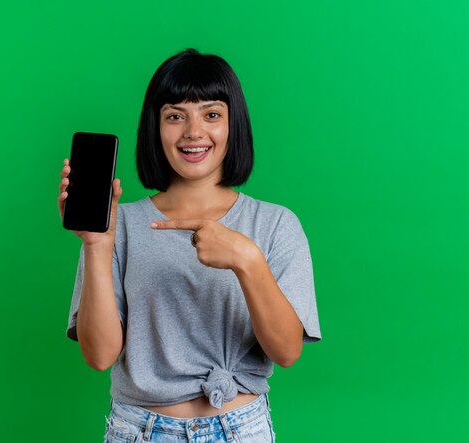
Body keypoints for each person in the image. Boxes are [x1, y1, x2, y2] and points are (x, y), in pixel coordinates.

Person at [58, 48, 321, 442]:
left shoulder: (275, 224)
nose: (193, 132)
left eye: (211, 114)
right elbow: (99, 356)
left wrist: (246, 260)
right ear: (155, 127)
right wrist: (96, 245)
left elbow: (286, 352)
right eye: (175, 116)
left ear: (234, 125)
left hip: (240, 428)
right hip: (140, 430)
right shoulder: (120, 225)